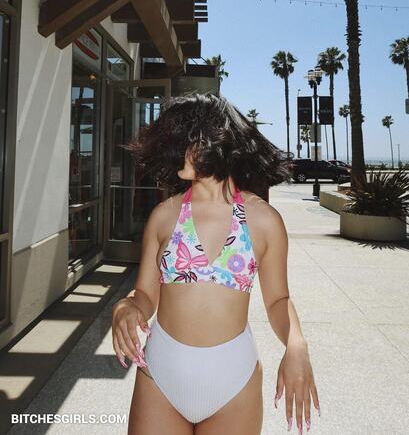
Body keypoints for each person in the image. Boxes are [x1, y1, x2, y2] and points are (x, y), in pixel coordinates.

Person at [111, 93, 320, 435]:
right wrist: (127, 306)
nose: (175, 149)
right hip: (161, 376)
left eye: (183, 139)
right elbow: (145, 294)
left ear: (213, 143)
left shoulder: (263, 221)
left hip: (233, 382)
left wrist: (296, 344)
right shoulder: (164, 216)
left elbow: (278, 300)